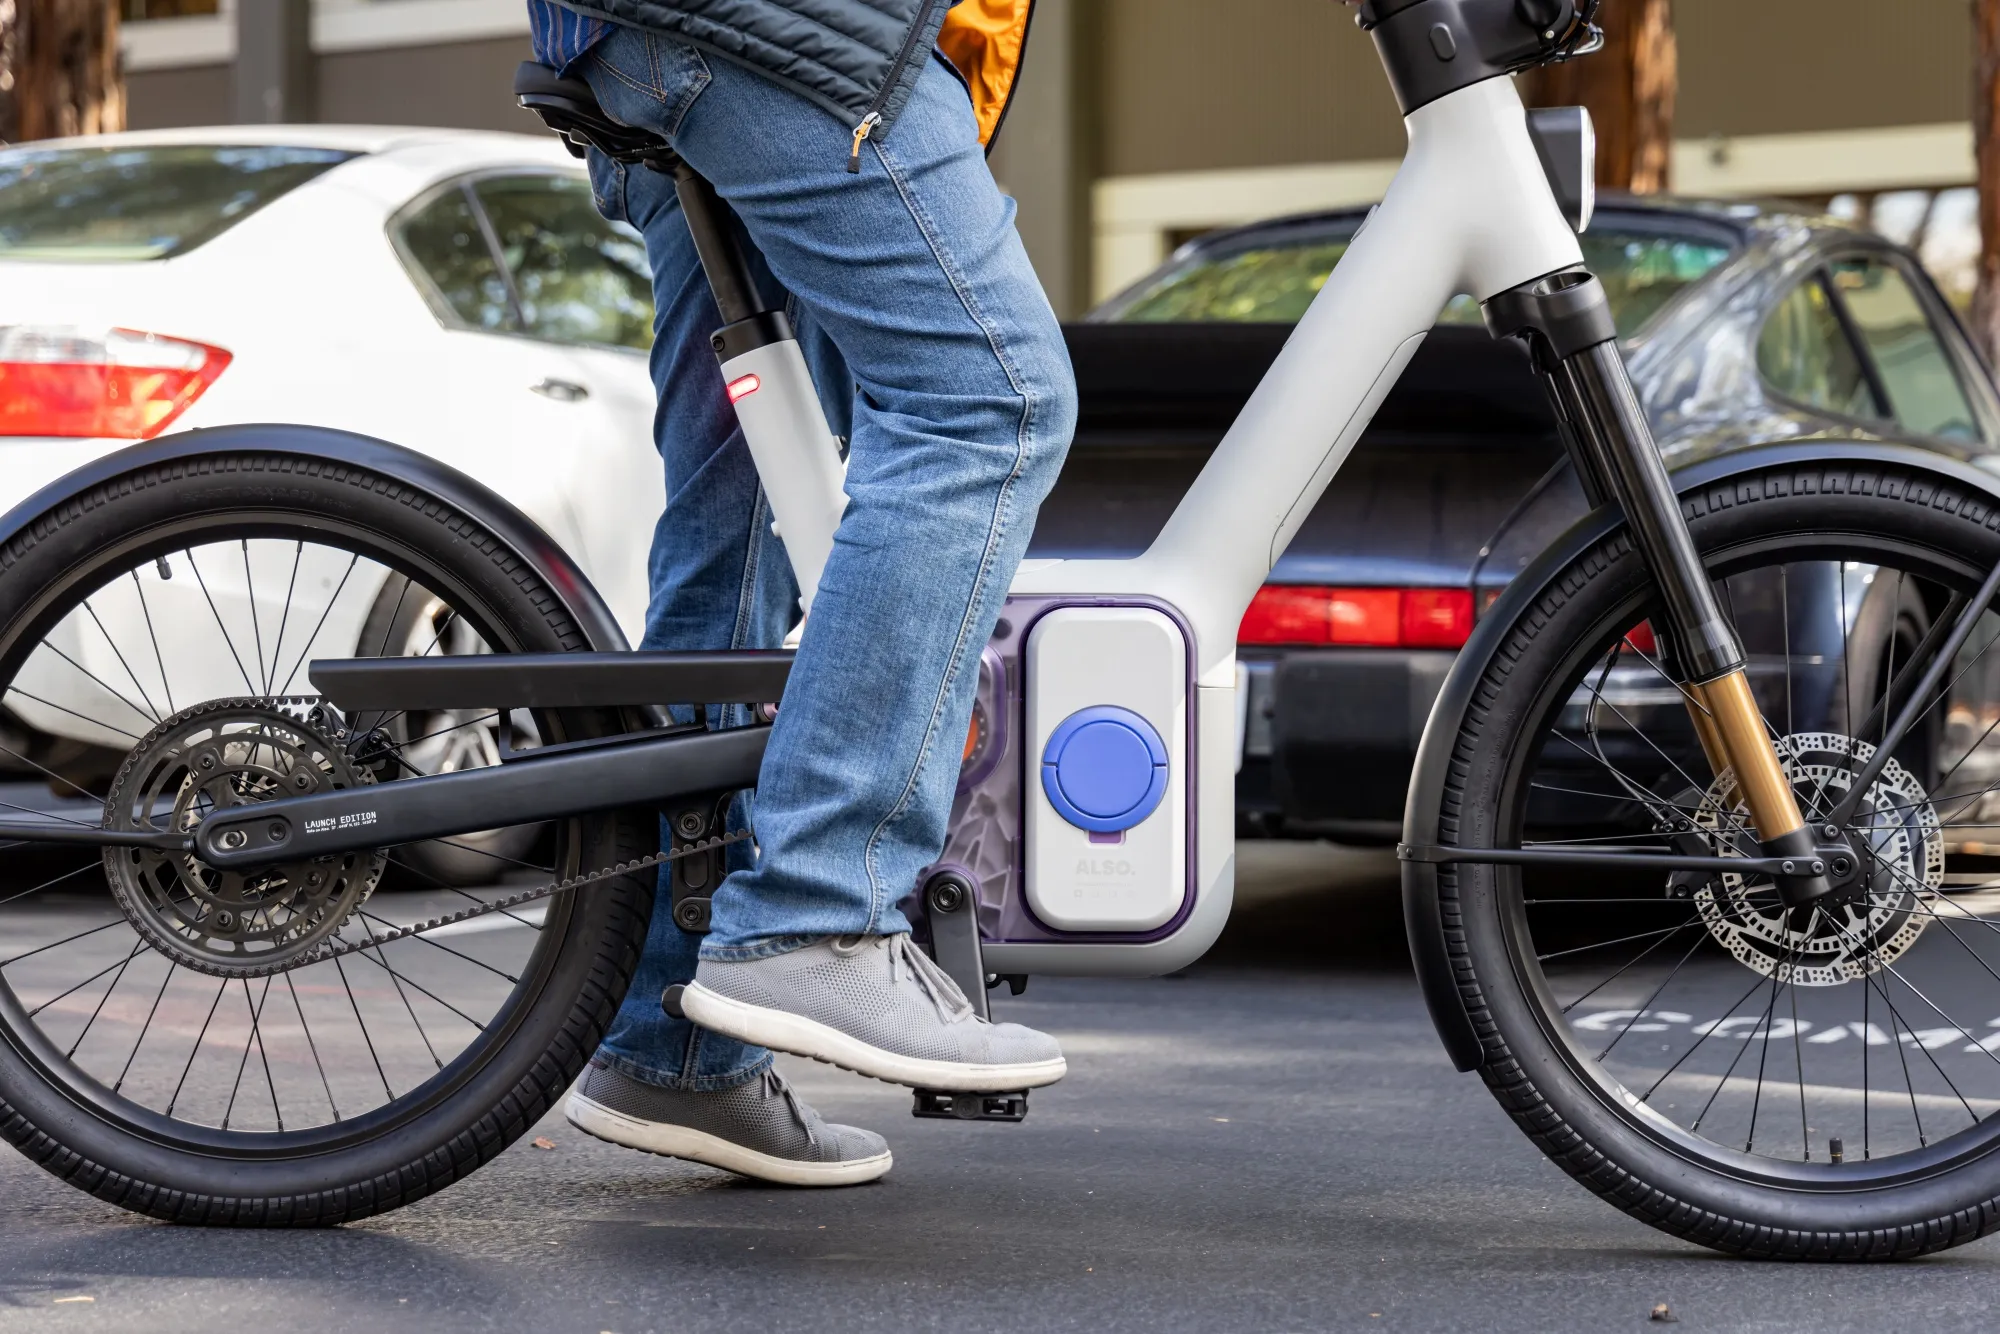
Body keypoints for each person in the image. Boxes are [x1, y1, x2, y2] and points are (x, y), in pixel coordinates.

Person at [526, 0, 1077, 1186]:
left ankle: (673, 1046)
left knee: (734, 530)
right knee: (989, 402)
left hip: (678, 32)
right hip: (783, 29)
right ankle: (822, 904)